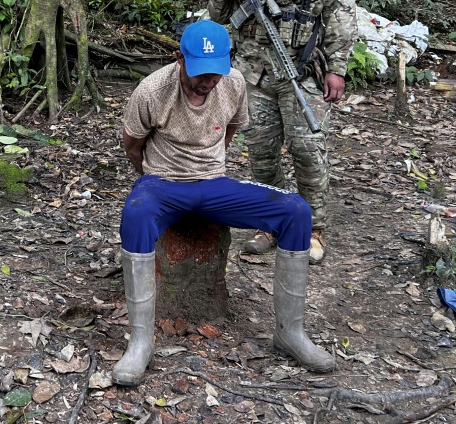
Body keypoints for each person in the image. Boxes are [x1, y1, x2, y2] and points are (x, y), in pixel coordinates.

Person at [113, 20, 334, 386]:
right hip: (163, 183)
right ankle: (140, 341)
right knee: (135, 213)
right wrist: (153, 178)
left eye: (215, 74)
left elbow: (231, 128)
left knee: (296, 210)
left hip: (214, 184)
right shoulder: (152, 90)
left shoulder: (233, 83)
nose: (207, 82)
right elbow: (132, 145)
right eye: (200, 73)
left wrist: (210, 167)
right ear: (180, 59)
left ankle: (290, 332)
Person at [208, 0, 357, 263]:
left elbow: (343, 16)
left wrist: (337, 68)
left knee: (308, 150)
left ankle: (313, 228)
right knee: (261, 154)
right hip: (254, 77)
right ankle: (269, 221)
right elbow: (213, 20)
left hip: (301, 73)